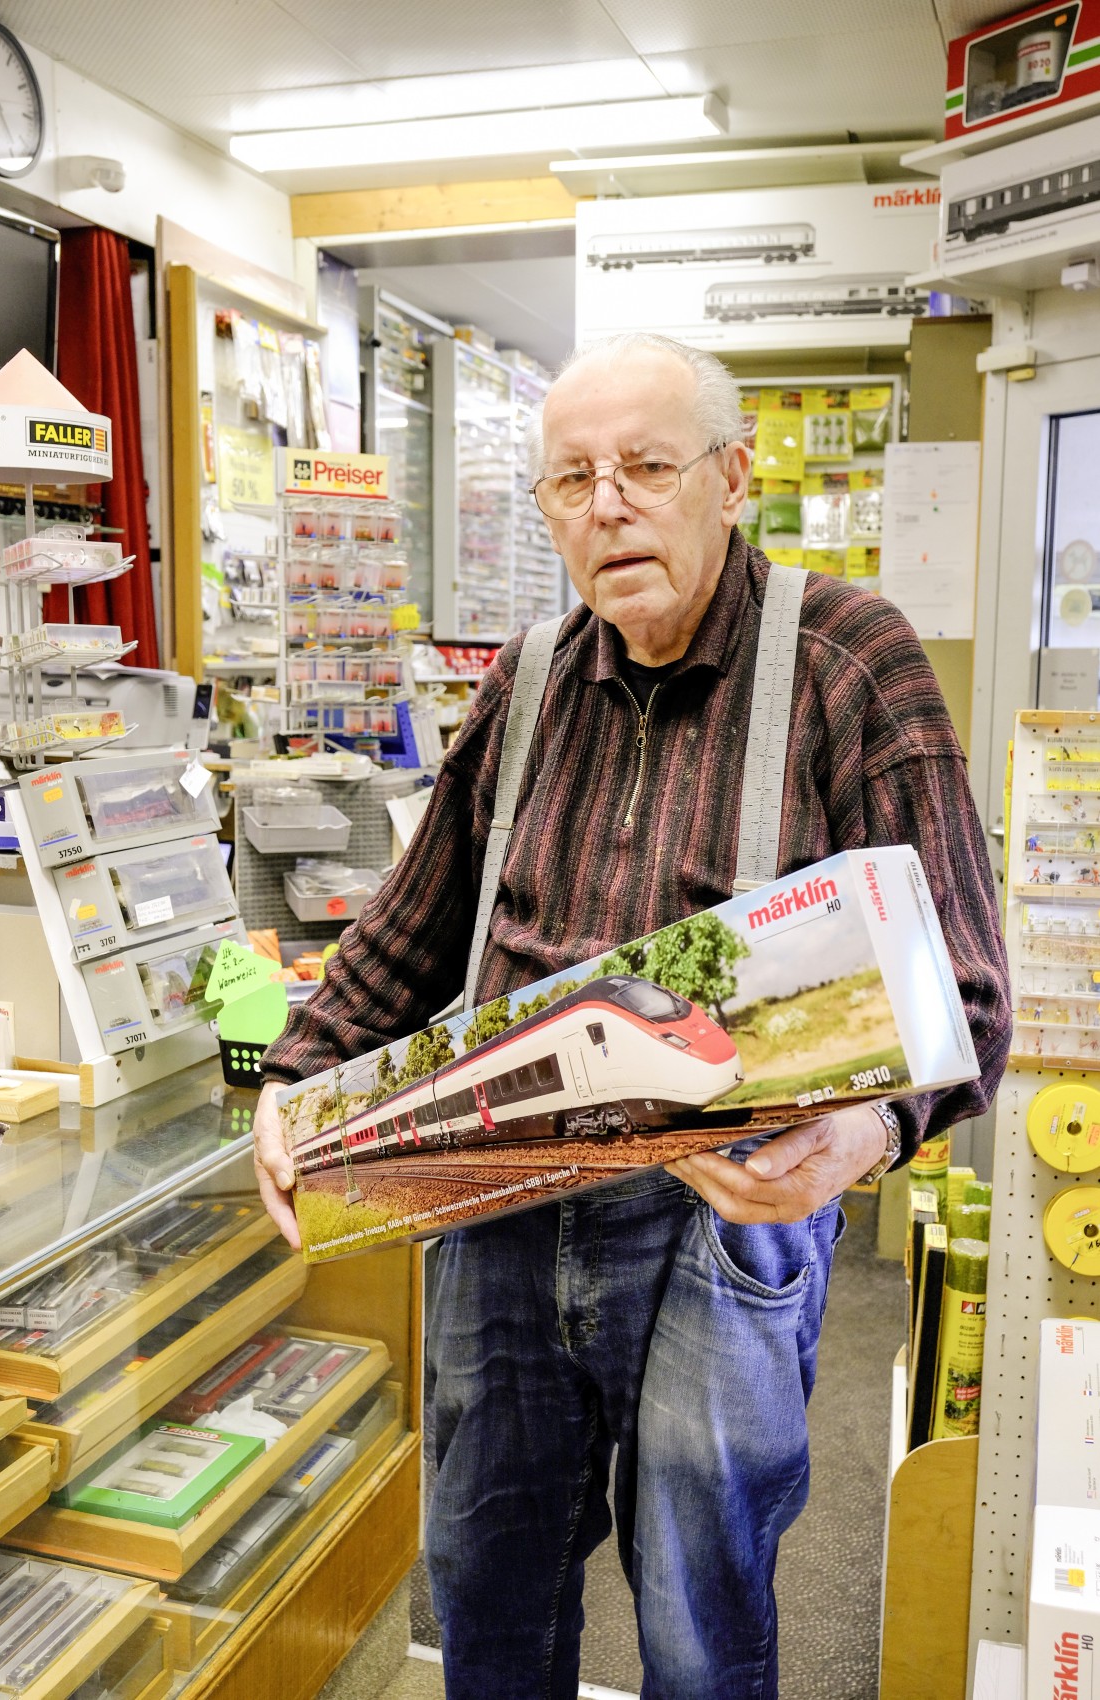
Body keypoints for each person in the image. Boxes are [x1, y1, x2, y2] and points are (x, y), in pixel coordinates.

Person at [253, 333, 1011, 1700]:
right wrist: (294, 1076)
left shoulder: (848, 660)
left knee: (696, 1594)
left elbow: (962, 981)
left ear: (733, 478)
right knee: (486, 1575)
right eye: (571, 480)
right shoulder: (529, 676)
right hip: (499, 1191)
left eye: (646, 468)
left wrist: (871, 1134)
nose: (606, 506)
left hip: (721, 1207)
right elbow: (414, 926)